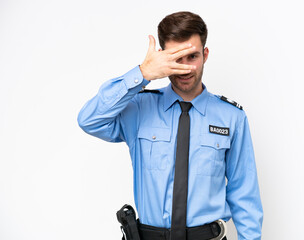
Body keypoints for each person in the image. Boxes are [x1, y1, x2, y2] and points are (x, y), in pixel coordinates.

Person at [78, 11, 263, 240]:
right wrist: (142, 73)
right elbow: (89, 120)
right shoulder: (138, 109)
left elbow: (245, 197)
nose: (185, 68)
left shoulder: (231, 117)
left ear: (205, 55)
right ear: (162, 58)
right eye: (176, 58)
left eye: (192, 57)